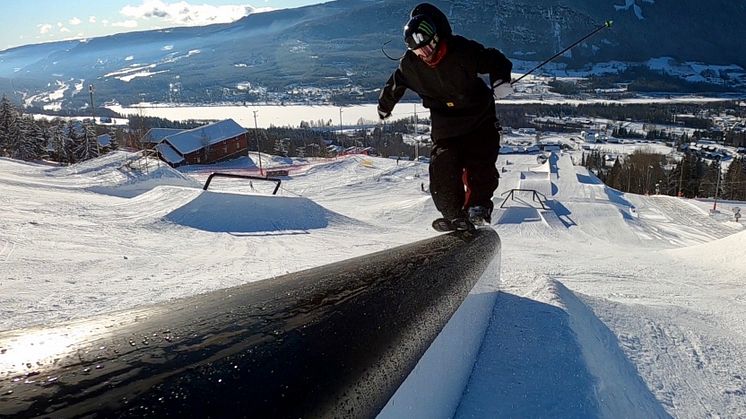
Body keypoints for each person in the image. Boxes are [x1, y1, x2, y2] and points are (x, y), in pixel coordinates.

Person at [377, 3, 513, 231]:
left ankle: (477, 207)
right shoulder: (411, 65)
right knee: (442, 167)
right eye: (419, 52)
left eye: (427, 49)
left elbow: (494, 59)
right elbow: (396, 83)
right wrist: (385, 105)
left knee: (480, 163)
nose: (425, 56)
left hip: (479, 119)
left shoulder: (461, 51)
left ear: (436, 38)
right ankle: (453, 213)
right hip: (446, 126)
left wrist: (500, 80)